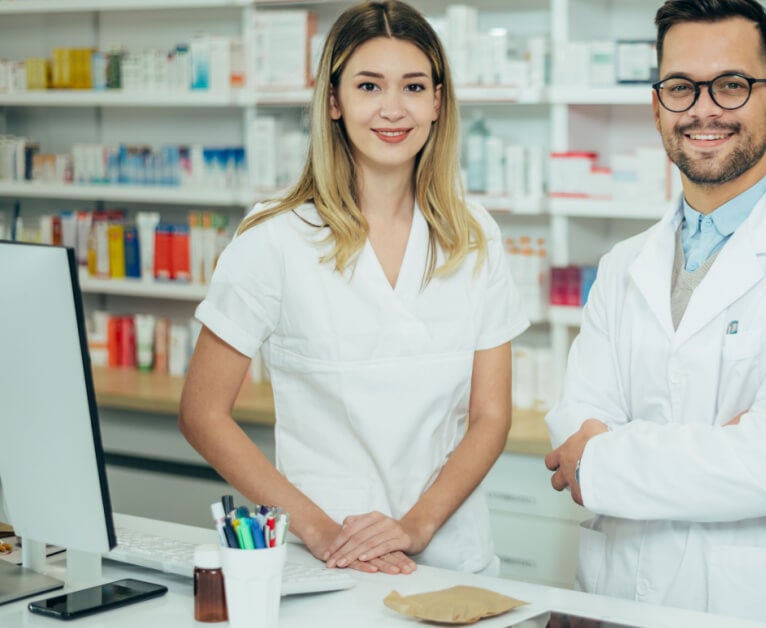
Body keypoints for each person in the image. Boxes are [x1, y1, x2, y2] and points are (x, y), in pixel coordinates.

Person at [542, 0, 766, 625]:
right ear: (656, 109)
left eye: (731, 85)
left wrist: (607, 458)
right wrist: (728, 447)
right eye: (680, 88)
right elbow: (575, 426)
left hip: (756, 604)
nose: (703, 109)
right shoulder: (623, 265)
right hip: (617, 594)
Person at [180, 0, 527, 577]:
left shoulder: (473, 235)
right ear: (334, 101)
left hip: (451, 559)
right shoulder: (275, 239)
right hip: (329, 561)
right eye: (370, 85)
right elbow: (202, 413)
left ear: (438, 102)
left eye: (414, 86)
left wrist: (417, 525)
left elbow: (491, 415)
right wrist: (319, 531)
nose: (394, 108)